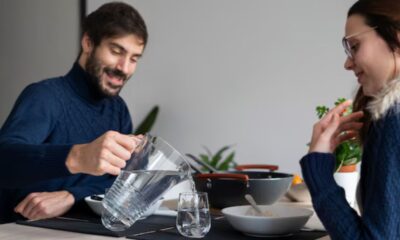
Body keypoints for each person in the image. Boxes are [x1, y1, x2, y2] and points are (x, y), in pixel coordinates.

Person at [0, 2, 148, 224]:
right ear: (88, 43)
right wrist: (77, 157)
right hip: (21, 229)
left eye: (134, 58)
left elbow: (121, 182)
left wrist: (71, 196)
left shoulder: (118, 109)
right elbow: (4, 161)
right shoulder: (44, 96)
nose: (124, 68)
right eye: (116, 51)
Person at [300, 0, 400, 239]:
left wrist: (318, 166)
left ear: (396, 37)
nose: (347, 63)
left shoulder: (394, 118)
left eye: (354, 46)